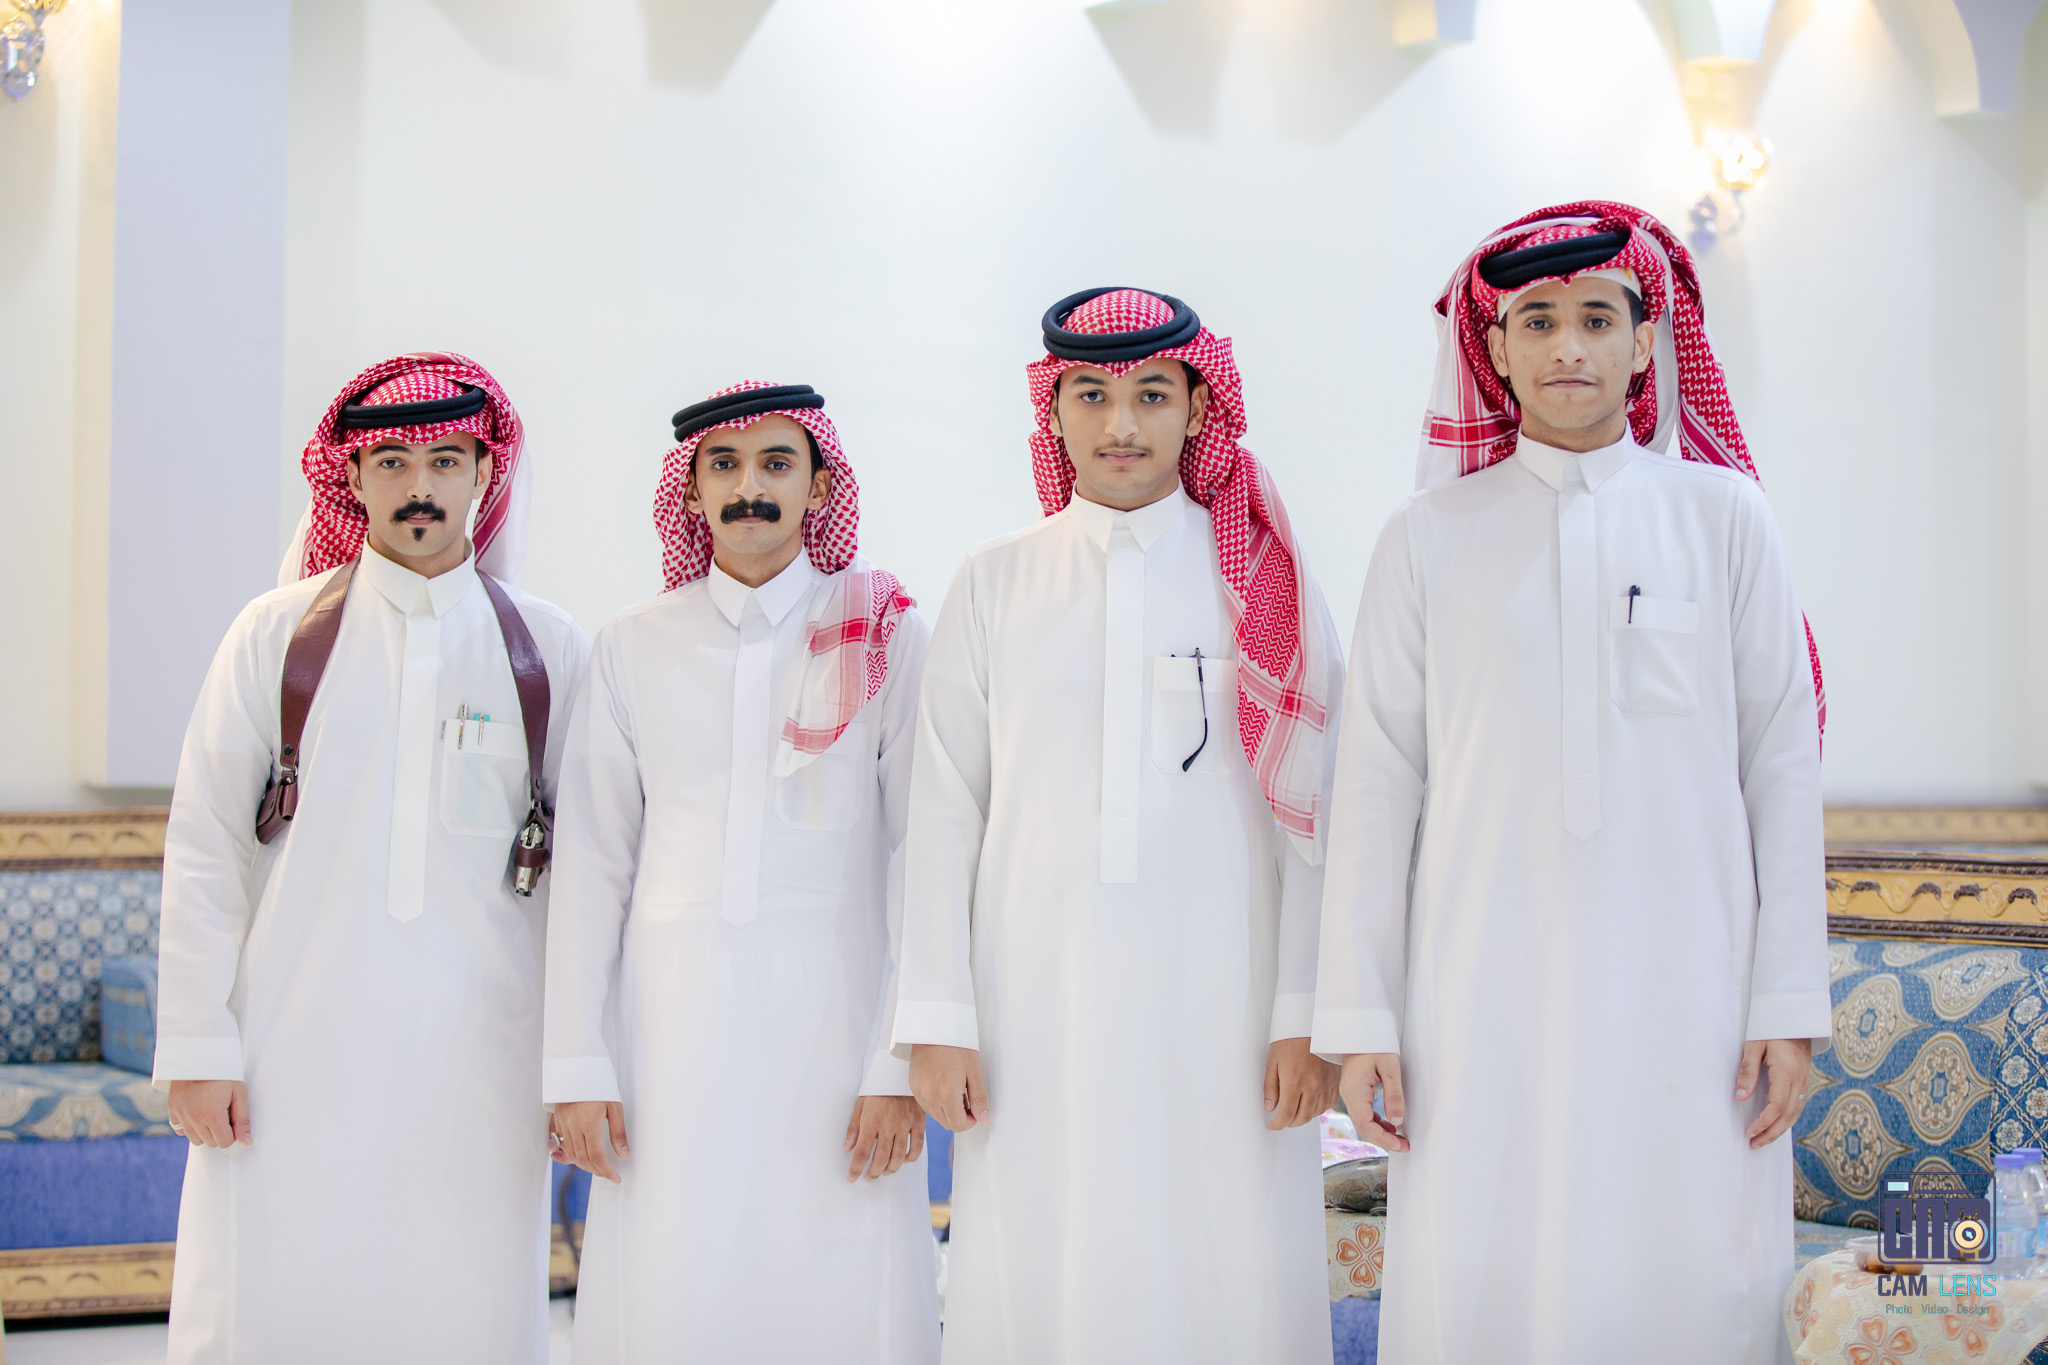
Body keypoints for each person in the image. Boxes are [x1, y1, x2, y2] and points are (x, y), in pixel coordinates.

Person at [1312, 201, 1830, 1364]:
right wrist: (1359, 1017)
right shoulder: (1424, 536)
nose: (1566, 348)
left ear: (1644, 342)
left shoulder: (1724, 518)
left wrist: (1785, 1004)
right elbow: (1376, 785)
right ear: (1492, 351)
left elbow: (1780, 765)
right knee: (1488, 1276)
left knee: (1686, 1273)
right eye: (1536, 322)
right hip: (1473, 992)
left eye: (1596, 319)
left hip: (1691, 990)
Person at [895, 290, 1343, 1364]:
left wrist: (1303, 1012)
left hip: (1228, 1000)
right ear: (1053, 412)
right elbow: (943, 810)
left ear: (1198, 408)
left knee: (1226, 1256)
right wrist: (939, 1018)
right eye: (1091, 396)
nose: (1121, 423)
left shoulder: (1264, 583)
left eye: (1151, 393)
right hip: (1033, 1002)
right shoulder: (993, 580)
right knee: (1047, 1259)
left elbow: (1318, 815)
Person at [154, 352, 588, 1364]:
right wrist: (198, 1047)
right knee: (277, 1305)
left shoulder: (547, 652)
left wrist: (577, 1063)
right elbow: (205, 848)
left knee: (461, 1310)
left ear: (485, 472)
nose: (418, 486)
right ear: (349, 475)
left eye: (444, 461)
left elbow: (586, 877)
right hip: (291, 1054)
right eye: (391, 462)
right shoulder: (275, 636)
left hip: (481, 1063)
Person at [544, 381, 939, 1363]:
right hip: (665, 1043)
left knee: (836, 1286)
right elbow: (591, 868)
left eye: (775, 464)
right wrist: (578, 1066)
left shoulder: (885, 633)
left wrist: (895, 1065)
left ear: (819, 486)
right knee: (674, 1284)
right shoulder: (633, 643)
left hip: (836, 1035)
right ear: (689, 491)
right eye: (722, 465)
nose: (747, 487)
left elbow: (919, 859)